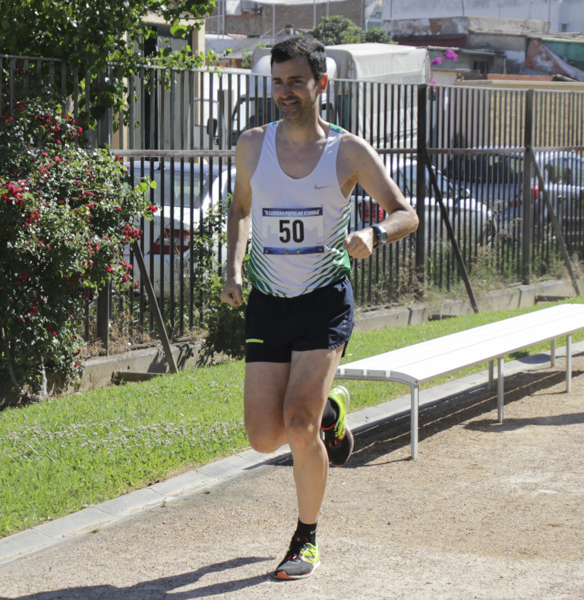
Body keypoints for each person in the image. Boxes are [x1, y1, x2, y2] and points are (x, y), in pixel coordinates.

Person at [219, 37, 418, 580]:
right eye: (277, 81)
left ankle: (305, 537)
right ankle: (333, 414)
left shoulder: (348, 152)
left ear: (320, 84)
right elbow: (240, 209)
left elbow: (406, 213)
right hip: (269, 302)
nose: (284, 91)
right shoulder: (252, 145)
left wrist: (375, 233)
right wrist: (234, 268)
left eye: (295, 81)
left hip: (324, 302)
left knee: (298, 424)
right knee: (264, 435)